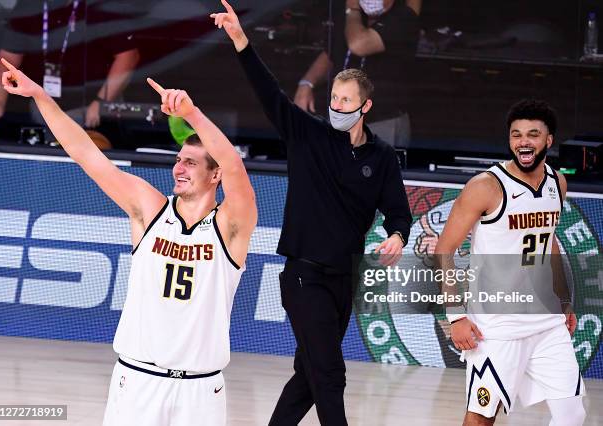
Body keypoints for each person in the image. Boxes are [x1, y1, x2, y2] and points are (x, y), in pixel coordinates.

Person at [0, 57, 257, 425]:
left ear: (215, 175)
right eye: (178, 159)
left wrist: (194, 115)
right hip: (137, 380)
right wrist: (39, 95)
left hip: (200, 390)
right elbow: (87, 155)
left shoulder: (231, 226)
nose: (178, 168)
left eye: (190, 163)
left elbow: (236, 167)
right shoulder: (149, 210)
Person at [211, 1, 412, 424]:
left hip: (344, 278)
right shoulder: (308, 135)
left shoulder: (383, 157)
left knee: (309, 374)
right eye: (334, 99)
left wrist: (397, 235)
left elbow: (398, 212)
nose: (337, 106)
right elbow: (269, 92)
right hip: (303, 275)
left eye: (346, 101)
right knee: (329, 373)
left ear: (365, 106)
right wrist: (241, 41)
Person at [434, 99, 586, 425]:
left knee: (572, 414)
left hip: (546, 323)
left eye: (533, 134)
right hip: (496, 327)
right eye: (516, 134)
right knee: (482, 417)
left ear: (548, 140)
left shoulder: (557, 183)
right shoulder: (485, 186)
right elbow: (445, 248)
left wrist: (563, 300)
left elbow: (549, 243)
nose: (523, 141)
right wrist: (456, 315)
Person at [0, 0, 139, 145]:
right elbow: (9, 57)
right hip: (44, 106)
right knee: (44, 162)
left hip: (91, 110)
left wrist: (101, 103)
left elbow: (128, 57)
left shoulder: (101, 6)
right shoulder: (28, 5)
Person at [294, 0, 421, 148]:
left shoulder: (404, 17)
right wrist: (307, 83)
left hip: (381, 123)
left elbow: (359, 44)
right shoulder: (348, 16)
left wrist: (352, 10)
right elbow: (331, 53)